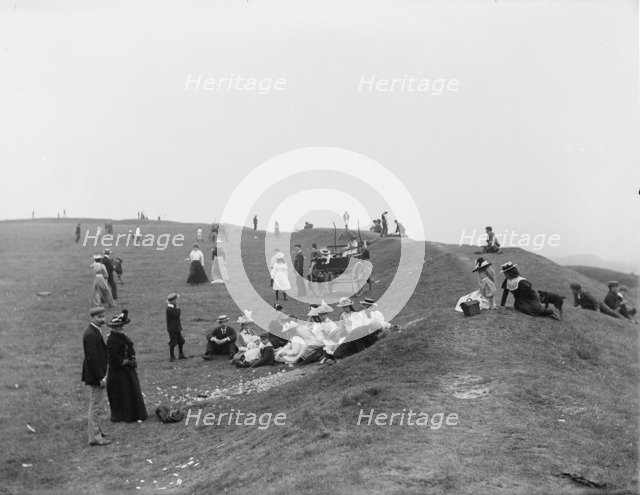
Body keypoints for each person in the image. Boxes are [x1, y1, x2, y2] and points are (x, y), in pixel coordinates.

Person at [105, 310, 148, 423]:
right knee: (124, 393)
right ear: (114, 328)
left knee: (133, 390)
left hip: (128, 370)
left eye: (121, 326)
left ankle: (137, 413)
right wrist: (126, 362)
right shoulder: (112, 340)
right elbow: (113, 357)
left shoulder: (122, 336)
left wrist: (133, 358)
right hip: (119, 372)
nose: (121, 328)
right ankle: (126, 415)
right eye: (119, 327)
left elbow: (130, 348)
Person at [81, 307, 110, 446]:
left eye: (103, 316)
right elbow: (92, 359)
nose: (102, 319)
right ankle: (95, 438)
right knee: (95, 406)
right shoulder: (90, 335)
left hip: (98, 373)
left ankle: (98, 431)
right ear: (92, 317)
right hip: (96, 375)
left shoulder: (95, 331)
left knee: (97, 404)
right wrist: (101, 378)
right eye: (99, 317)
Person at [166, 293, 186, 361]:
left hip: (177, 328)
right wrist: (178, 308)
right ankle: (172, 356)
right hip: (173, 329)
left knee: (180, 341)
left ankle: (181, 354)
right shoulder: (169, 309)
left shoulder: (172, 307)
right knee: (173, 342)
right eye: (176, 299)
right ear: (173, 301)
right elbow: (177, 314)